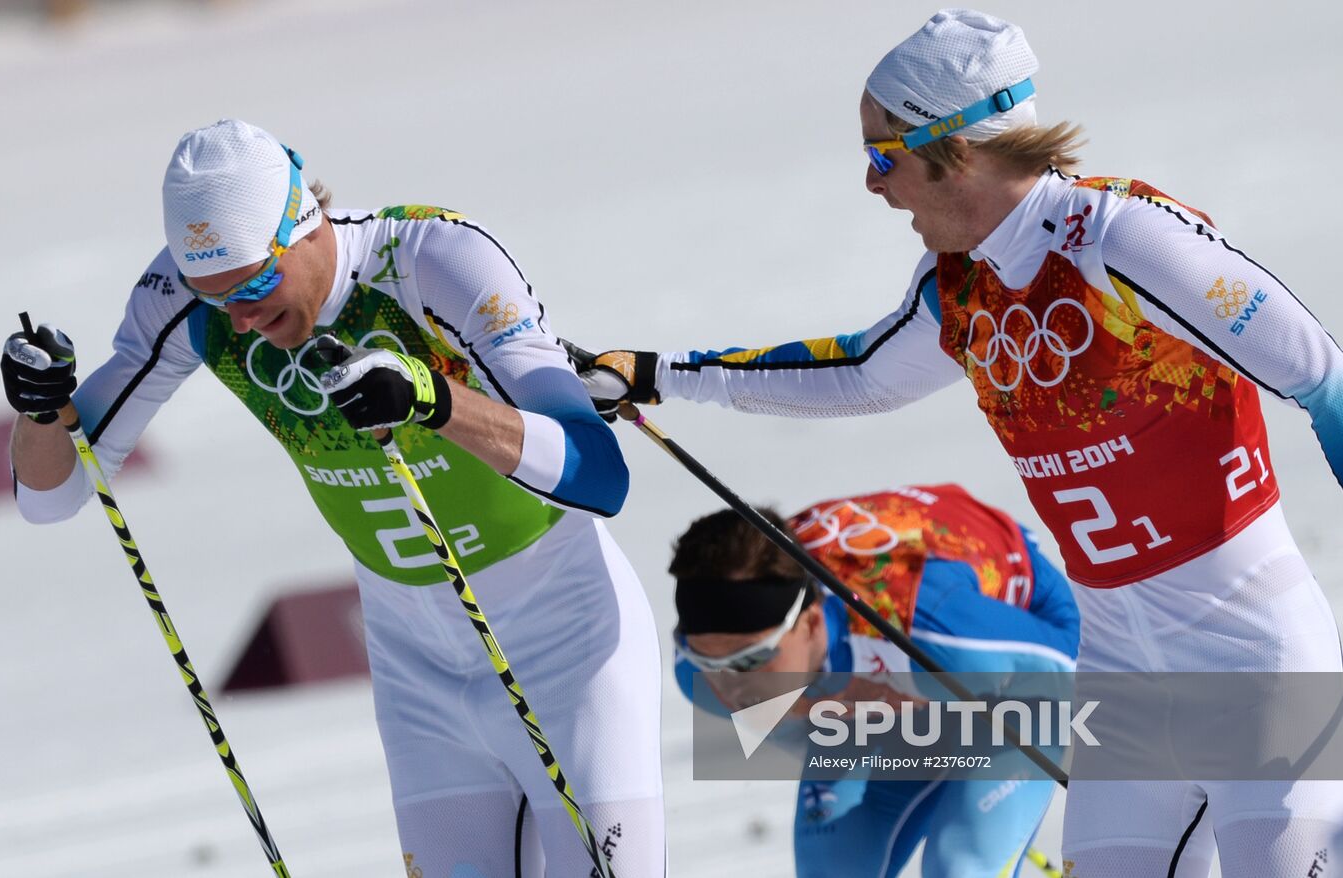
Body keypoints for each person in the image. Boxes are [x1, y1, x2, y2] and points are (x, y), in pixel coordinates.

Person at [568, 8, 1343, 876]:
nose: (873, 185)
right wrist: (663, 373)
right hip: (1125, 680)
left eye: (881, 156)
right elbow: (860, 373)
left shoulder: (1121, 241)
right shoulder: (962, 284)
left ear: (958, 148)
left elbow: (1324, 379)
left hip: (1254, 665)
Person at [0, 119, 664, 877]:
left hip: (563, 640)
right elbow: (51, 496)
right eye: (216, 299)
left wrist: (433, 400)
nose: (242, 318)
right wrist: (39, 409)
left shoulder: (431, 260)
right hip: (417, 669)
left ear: (304, 226)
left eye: (255, 285)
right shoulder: (191, 298)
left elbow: (598, 472)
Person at [670, 484, 1078, 877]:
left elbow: (1071, 665)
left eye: (753, 658)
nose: (729, 684)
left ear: (810, 623)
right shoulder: (699, 673)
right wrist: (817, 706)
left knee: (962, 866)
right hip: (886, 695)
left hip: (1009, 679)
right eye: (704, 657)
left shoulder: (937, 632)